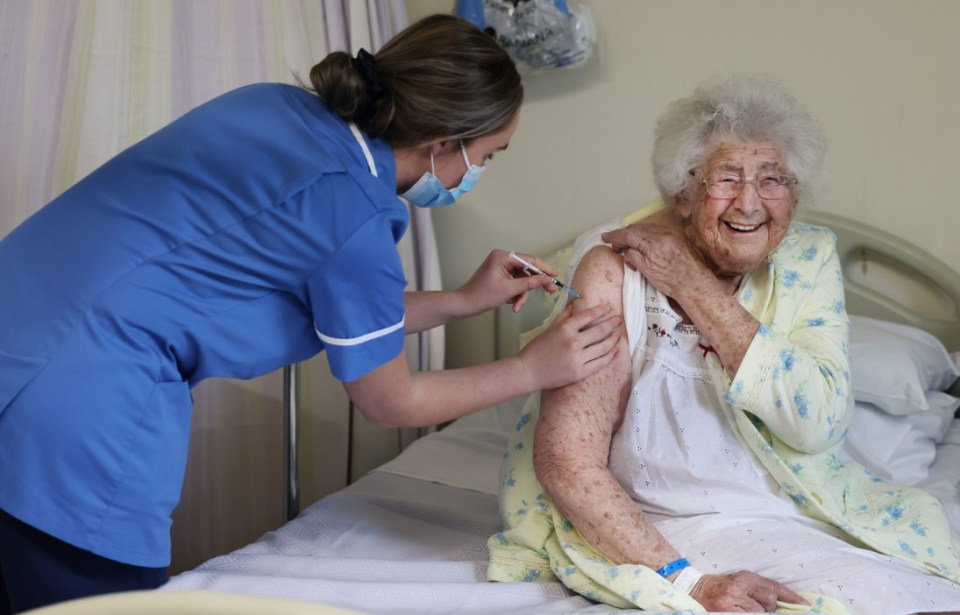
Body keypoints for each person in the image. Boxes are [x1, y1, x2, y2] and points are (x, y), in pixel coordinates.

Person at [0, 14, 622, 614]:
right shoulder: (352, 207)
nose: (479, 172)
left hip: (17, 334)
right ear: (442, 145)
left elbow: (341, 308)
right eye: (490, 155)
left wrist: (462, 302)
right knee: (99, 607)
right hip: (76, 409)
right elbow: (390, 401)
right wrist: (531, 369)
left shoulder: (274, 109)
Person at [487, 74, 960, 613]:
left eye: (772, 179)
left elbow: (818, 423)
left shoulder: (809, 256)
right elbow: (566, 461)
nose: (751, 203)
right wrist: (688, 581)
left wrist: (692, 284)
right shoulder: (612, 271)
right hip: (656, 526)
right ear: (682, 194)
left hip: (790, 510)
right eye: (727, 178)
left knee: (912, 592)